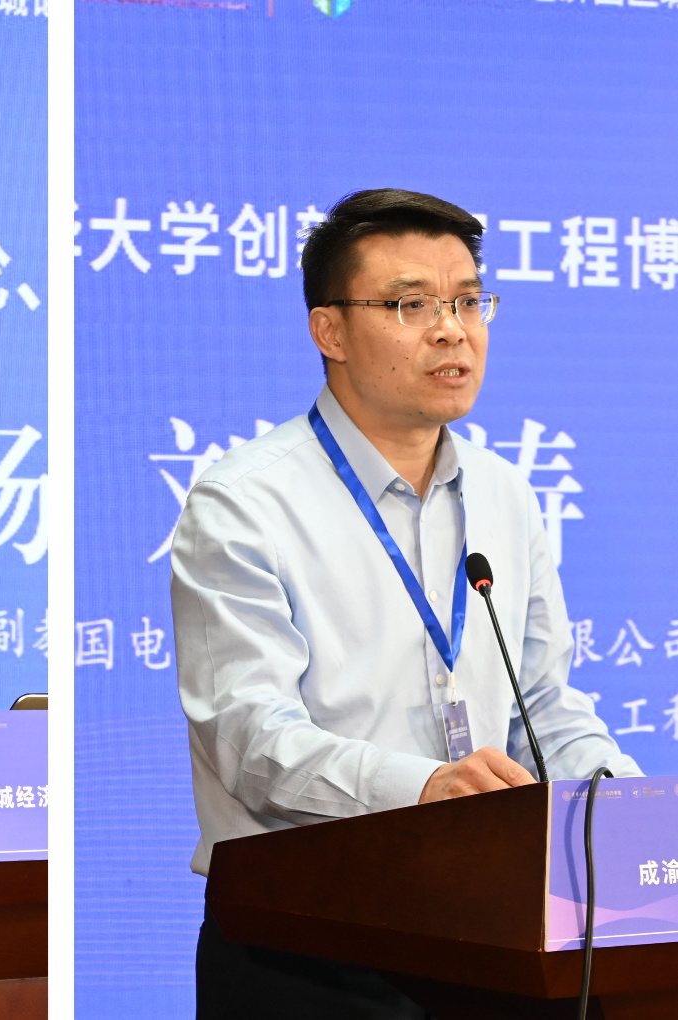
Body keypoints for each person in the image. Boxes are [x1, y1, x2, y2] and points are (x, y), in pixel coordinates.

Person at [171, 188, 639, 1019]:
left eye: (467, 301)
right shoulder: (244, 502)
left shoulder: (502, 492)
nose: (451, 330)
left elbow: (540, 705)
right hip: (308, 940)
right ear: (329, 331)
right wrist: (424, 789)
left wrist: (628, 810)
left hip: (489, 931)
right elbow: (249, 739)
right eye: (410, 304)